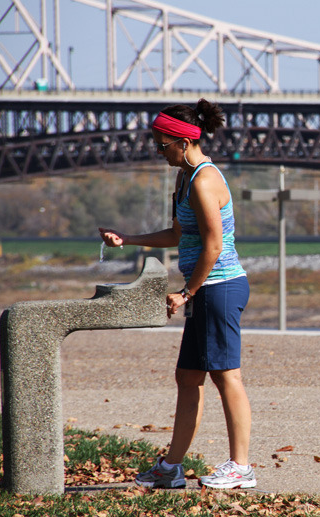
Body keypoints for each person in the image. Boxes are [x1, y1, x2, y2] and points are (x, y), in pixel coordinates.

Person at [99, 99, 255, 489]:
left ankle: (241, 467)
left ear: (184, 141)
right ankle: (170, 468)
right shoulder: (184, 177)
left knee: (226, 375)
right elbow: (178, 234)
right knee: (188, 377)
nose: (159, 151)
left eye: (162, 144)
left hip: (219, 288)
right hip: (206, 290)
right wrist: (129, 239)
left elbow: (214, 246)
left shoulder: (204, 180)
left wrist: (186, 292)